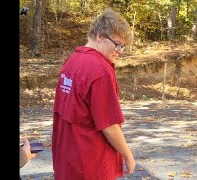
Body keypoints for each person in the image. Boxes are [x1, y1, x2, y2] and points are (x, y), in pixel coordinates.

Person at [51, 8, 135, 180]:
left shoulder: (72, 60)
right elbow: (109, 124)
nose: (120, 51)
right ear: (100, 36)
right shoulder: (99, 70)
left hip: (68, 159)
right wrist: (127, 153)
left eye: (123, 47)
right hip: (91, 162)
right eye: (117, 44)